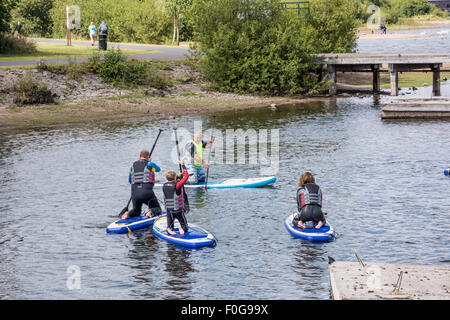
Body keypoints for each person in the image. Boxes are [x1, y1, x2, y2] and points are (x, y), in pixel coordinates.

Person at [121, 149, 162, 220]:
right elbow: (158, 169)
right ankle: (150, 211)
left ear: (140, 156)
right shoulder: (150, 164)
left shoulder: (132, 166)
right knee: (158, 209)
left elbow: (130, 180)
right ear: (148, 157)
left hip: (135, 193)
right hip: (147, 192)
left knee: (136, 211)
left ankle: (127, 214)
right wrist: (150, 162)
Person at [163, 161, 189, 235]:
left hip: (169, 211)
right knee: (186, 228)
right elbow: (186, 177)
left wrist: (177, 177)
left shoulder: (164, 185)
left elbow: (171, 183)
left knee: (170, 225)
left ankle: (169, 229)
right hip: (178, 211)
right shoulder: (177, 185)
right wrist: (183, 166)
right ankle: (182, 228)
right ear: (174, 177)